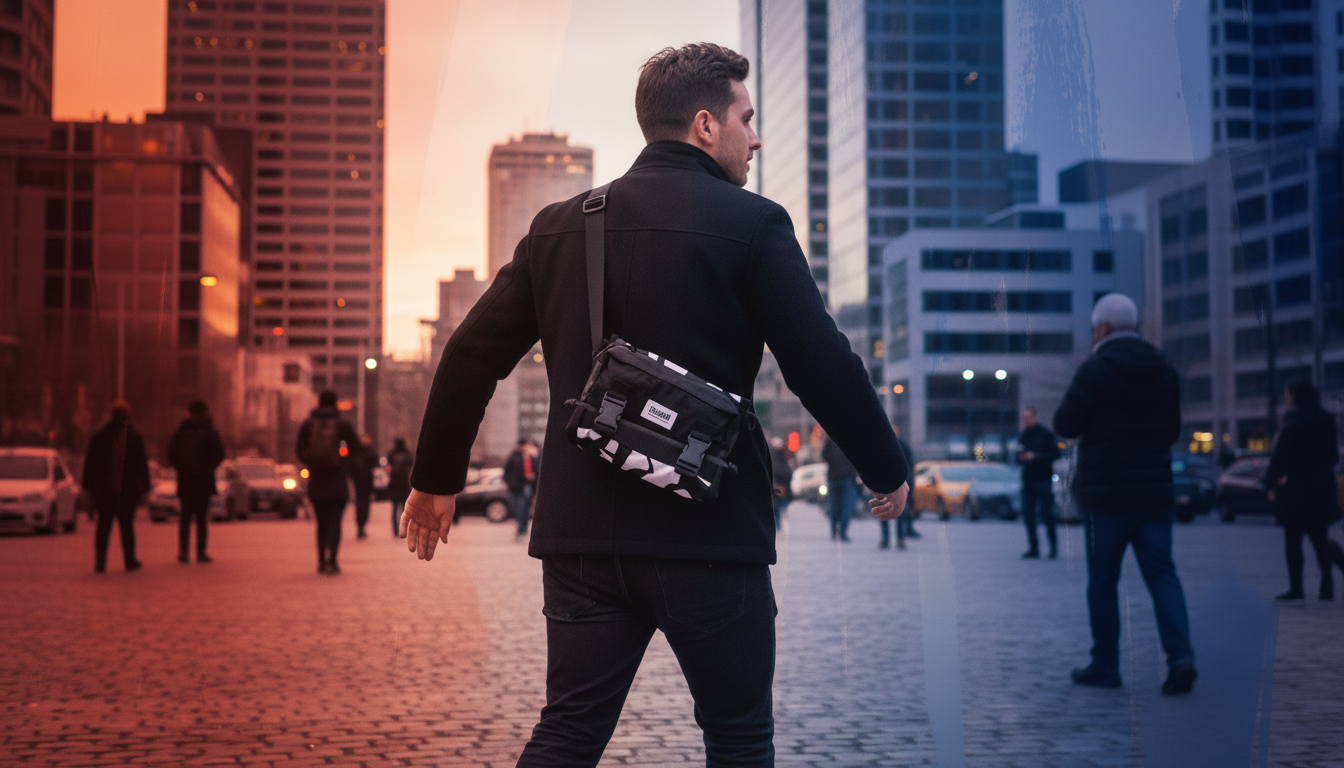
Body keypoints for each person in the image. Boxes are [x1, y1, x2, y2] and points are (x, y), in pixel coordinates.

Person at [400, 43, 909, 767]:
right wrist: (884, 466)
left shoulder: (560, 225)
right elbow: (821, 364)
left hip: (583, 538)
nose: (756, 137)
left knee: (569, 730)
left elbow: (469, 354)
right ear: (706, 126)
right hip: (709, 535)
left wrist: (436, 480)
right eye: (747, 117)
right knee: (737, 735)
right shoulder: (755, 225)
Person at [1054, 292, 1197, 695]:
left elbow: (1066, 423)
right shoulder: (1165, 369)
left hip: (1107, 496)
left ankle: (1106, 665)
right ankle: (1181, 657)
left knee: (1103, 581)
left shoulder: (1096, 370)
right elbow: (1172, 431)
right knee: (1163, 576)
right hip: (1155, 494)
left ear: (1102, 328)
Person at [1265, 380, 1344, 601]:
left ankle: (1296, 588)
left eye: (1287, 393)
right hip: (1321, 487)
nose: (1285, 397)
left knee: (1293, 540)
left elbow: (1280, 456)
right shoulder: (1326, 420)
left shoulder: (1293, 421)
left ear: (1294, 395)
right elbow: (1333, 457)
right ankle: (1327, 586)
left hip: (1296, 489)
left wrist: (1270, 481)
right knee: (1320, 539)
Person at [297, 390, 359, 575]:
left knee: (321, 522)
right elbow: (355, 448)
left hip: (316, 480)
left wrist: (310, 463)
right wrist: (344, 463)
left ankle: (321, 562)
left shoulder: (308, 424)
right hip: (337, 480)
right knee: (335, 522)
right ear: (335, 403)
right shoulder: (342, 423)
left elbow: (299, 449)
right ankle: (333, 560)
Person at [82, 400, 149, 573]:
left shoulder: (99, 437)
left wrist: (87, 487)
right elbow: (142, 464)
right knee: (127, 526)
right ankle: (129, 560)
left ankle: (100, 562)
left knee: (103, 525)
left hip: (104, 488)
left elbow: (89, 464)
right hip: (127, 489)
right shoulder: (133, 438)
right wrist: (146, 488)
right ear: (128, 416)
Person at [166, 400, 226, 564]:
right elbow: (219, 454)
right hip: (200, 481)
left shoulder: (183, 432)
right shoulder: (207, 432)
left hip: (191, 480)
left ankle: (187, 552)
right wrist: (205, 467)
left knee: (189, 518)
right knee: (197, 519)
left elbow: (171, 455)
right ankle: (197, 552)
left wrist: (183, 467)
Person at [1015, 406, 1061, 559]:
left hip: (1043, 479)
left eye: (1028, 418)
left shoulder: (1046, 434)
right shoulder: (1023, 436)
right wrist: (1021, 458)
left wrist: (1035, 456)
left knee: (1047, 515)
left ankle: (1053, 548)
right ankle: (1033, 548)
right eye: (1024, 419)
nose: (1026, 421)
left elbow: (1055, 453)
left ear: (1035, 417)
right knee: (1028, 515)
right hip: (1028, 481)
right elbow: (1018, 457)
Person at [879, 425, 916, 549]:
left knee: (899, 513)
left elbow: (910, 467)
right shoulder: (886, 446)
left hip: (897, 485)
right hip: (886, 485)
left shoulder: (899, 447)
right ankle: (888, 539)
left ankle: (897, 539)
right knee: (887, 513)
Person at [822, 433, 860, 542]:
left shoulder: (831, 437)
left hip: (839, 477)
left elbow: (824, 455)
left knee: (839, 507)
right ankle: (839, 532)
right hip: (843, 477)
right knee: (841, 507)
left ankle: (838, 532)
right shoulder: (851, 439)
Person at [503, 438, 540, 539]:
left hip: (527, 486)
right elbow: (506, 472)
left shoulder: (531, 457)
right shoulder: (513, 457)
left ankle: (522, 528)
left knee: (524, 508)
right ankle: (520, 526)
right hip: (515, 487)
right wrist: (510, 483)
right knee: (515, 508)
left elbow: (536, 470)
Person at [350, 434, 378, 540]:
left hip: (360, 484)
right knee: (364, 505)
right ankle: (361, 526)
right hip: (366, 484)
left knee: (360, 505)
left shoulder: (356, 453)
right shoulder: (370, 453)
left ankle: (360, 527)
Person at [386, 437, 414, 537]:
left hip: (394, 485)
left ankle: (395, 530)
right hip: (404, 486)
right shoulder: (407, 454)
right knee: (403, 510)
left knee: (394, 509)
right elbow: (411, 464)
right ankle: (403, 528)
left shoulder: (391, 454)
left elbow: (388, 467)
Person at [768, 436, 794, 530]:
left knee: (777, 506)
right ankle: (777, 524)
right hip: (779, 485)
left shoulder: (774, 456)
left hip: (778, 484)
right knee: (778, 506)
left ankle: (776, 524)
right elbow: (781, 471)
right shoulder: (778, 457)